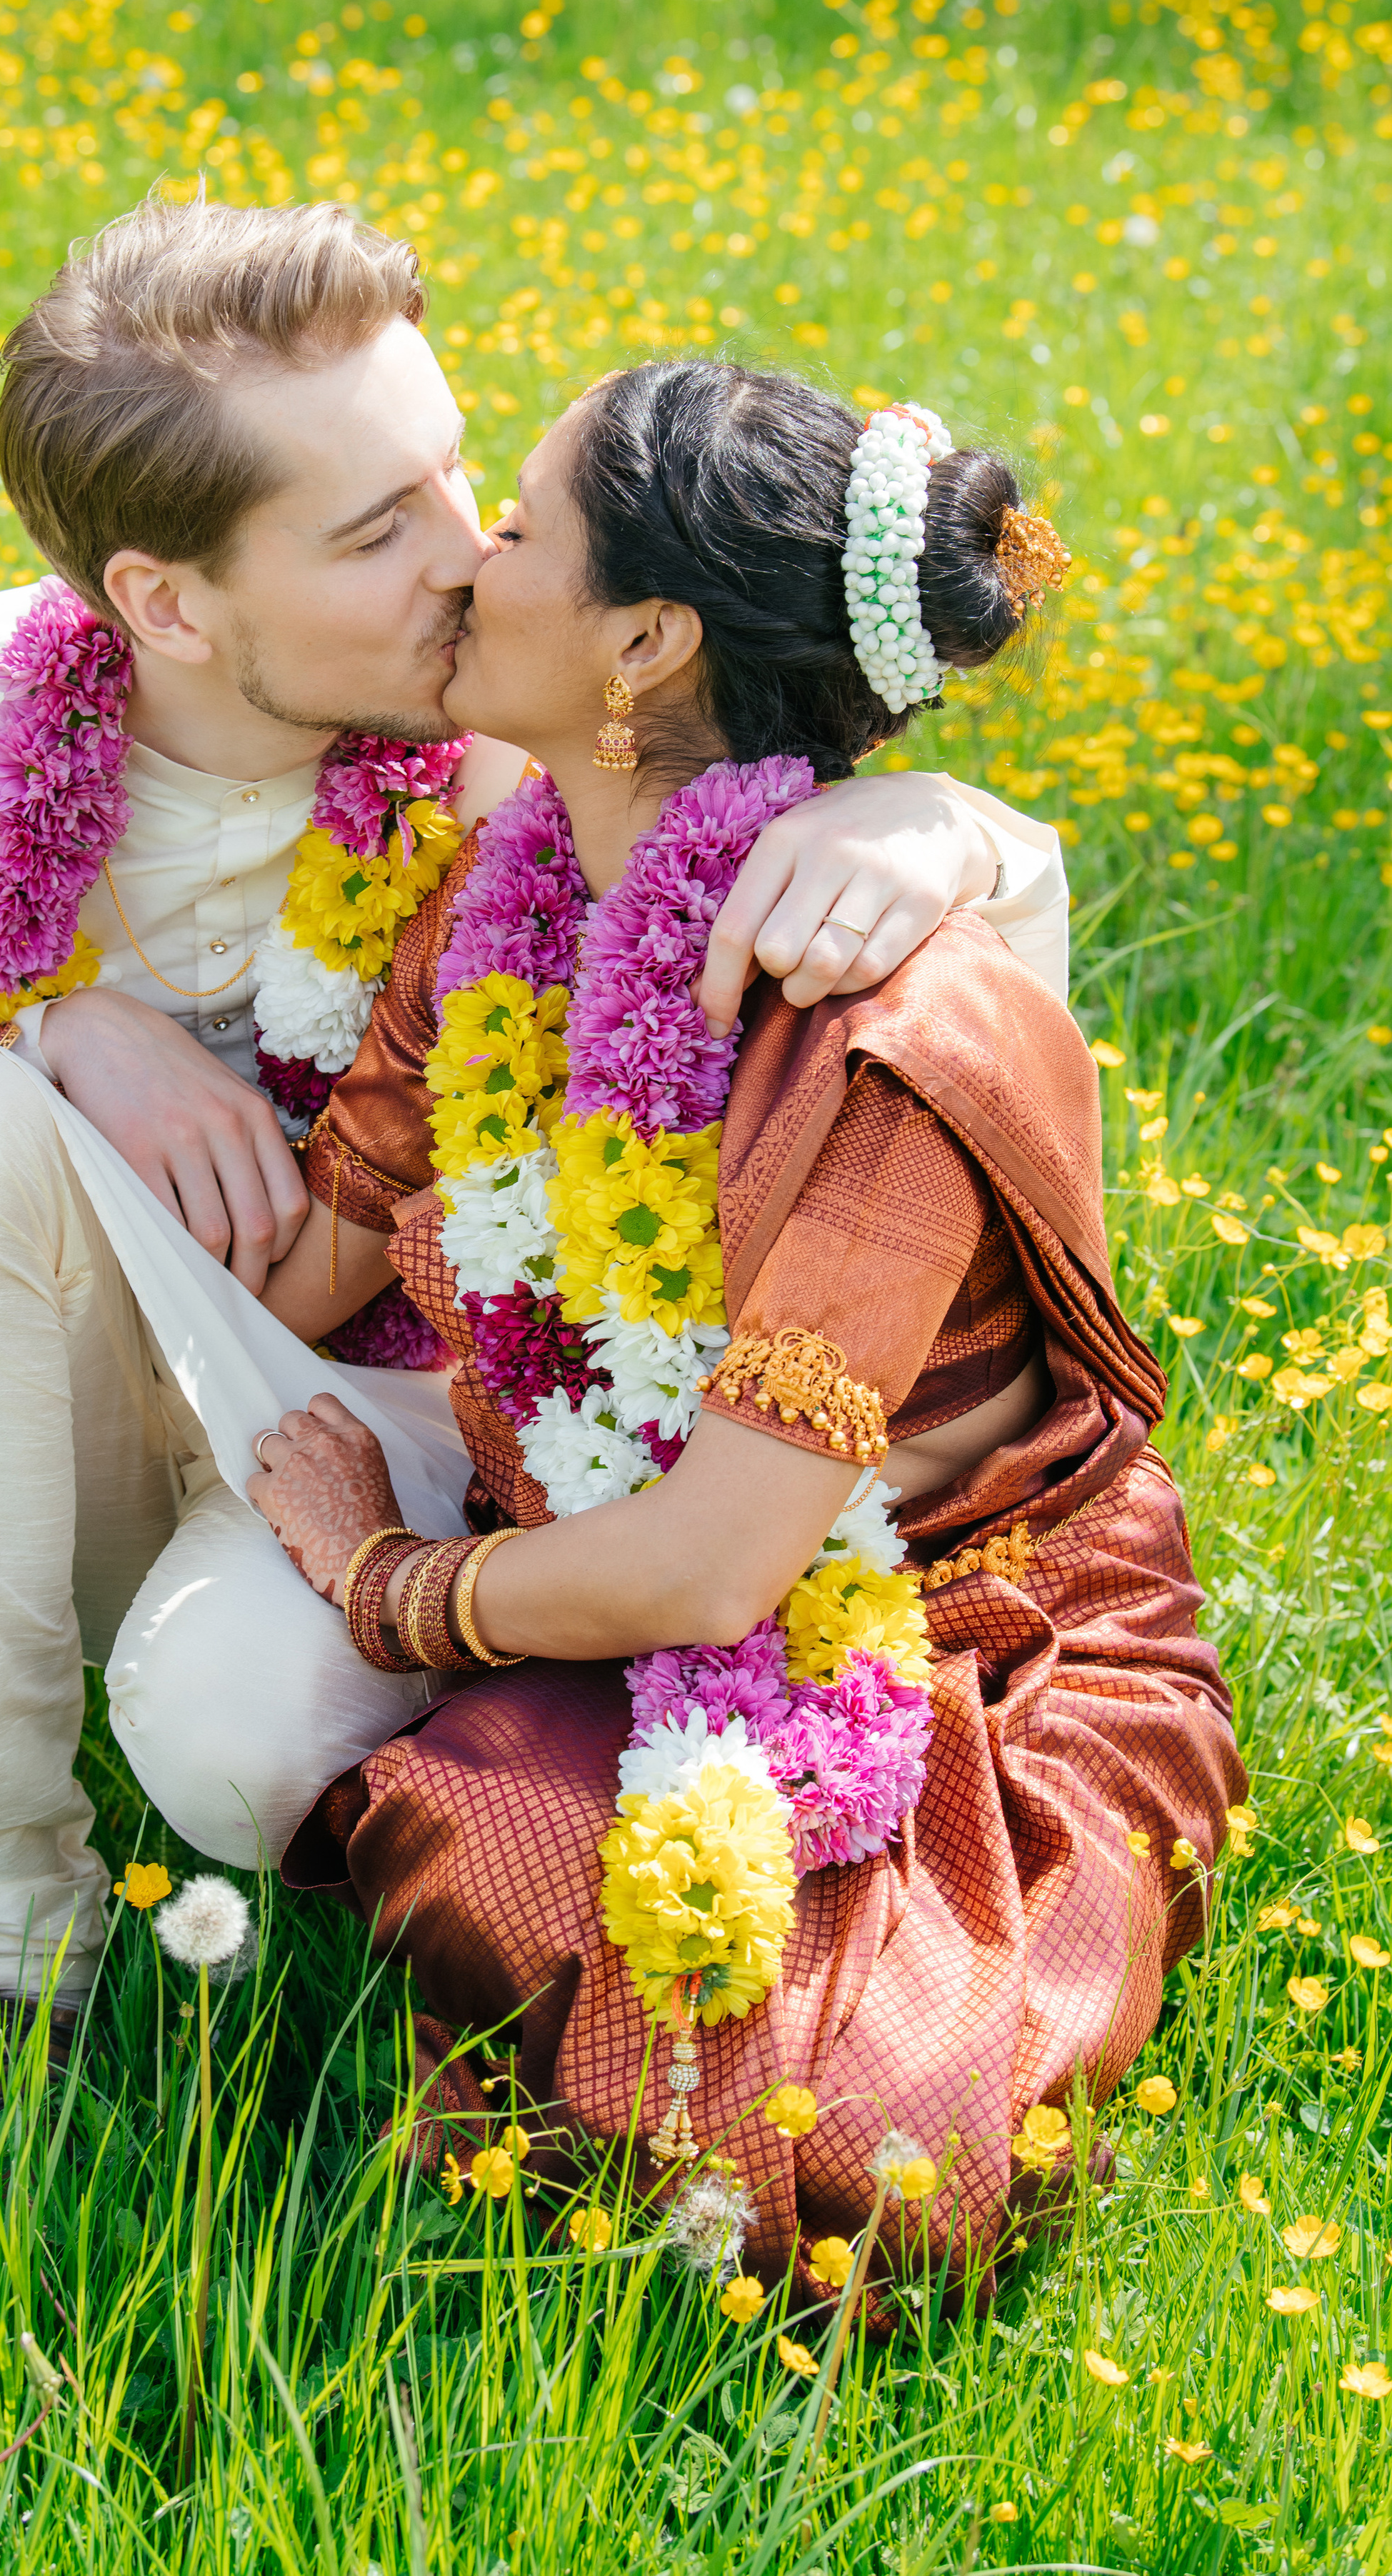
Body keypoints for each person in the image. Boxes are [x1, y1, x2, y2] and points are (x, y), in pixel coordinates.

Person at [0, 192, 1070, 2049]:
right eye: (375, 530)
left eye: (457, 472)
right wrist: (44, 1036)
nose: (467, 555)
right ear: (165, 602)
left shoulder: (534, 711)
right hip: (62, 1417)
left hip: (439, 1431)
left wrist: (941, 825)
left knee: (236, 1734)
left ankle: (504, 1751)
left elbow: (860, 912)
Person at [236, 361, 1243, 2292]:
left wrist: (384, 1584)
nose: (464, 562)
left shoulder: (887, 1035)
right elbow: (318, 1265)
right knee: (487, 1826)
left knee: (883, 2157)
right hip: (644, 1584)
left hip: (971, 1627)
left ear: (644, 642)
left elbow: (713, 1566)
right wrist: (13, 1069)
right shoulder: (502, 910)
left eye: (514, 527)